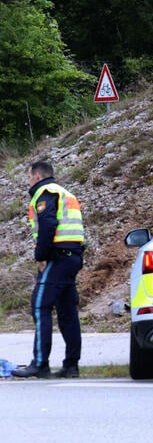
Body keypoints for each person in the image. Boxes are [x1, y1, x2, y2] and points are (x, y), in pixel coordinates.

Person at [12, 160, 85, 379]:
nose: (28, 180)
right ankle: (71, 366)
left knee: (39, 305)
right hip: (73, 256)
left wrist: (41, 256)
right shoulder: (65, 193)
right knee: (67, 312)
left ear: (36, 176)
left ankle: (40, 364)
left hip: (57, 257)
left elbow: (48, 224)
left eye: (28, 176)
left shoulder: (45, 192)